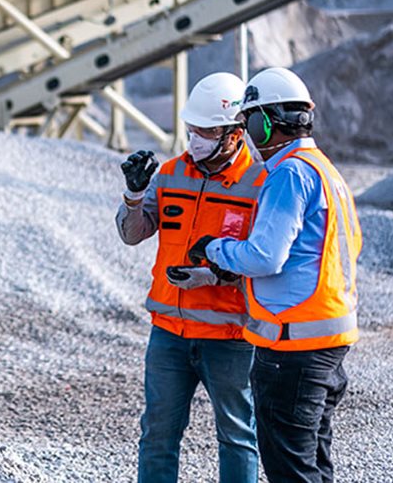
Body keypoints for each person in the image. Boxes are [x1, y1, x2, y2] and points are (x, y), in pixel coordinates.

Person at [188, 67, 362, 483]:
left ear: (265, 123)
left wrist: (215, 248)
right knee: (314, 466)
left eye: (249, 122)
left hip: (294, 348)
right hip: (328, 343)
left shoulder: (288, 174)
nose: (247, 133)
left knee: (291, 472)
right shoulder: (324, 170)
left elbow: (265, 257)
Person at [116, 72, 265, 483]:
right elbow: (132, 235)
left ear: (236, 134)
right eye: (193, 130)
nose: (196, 139)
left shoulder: (259, 185)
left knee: (237, 435)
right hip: (168, 334)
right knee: (158, 435)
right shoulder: (169, 173)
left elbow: (267, 262)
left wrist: (213, 277)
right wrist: (133, 193)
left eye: (207, 131)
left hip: (230, 338)